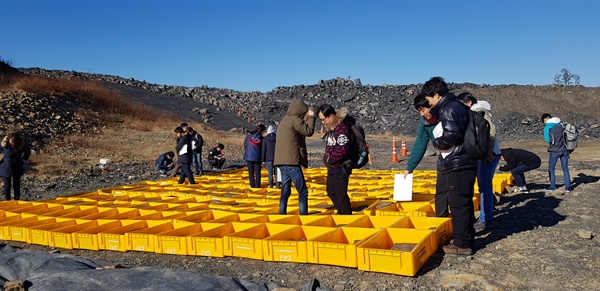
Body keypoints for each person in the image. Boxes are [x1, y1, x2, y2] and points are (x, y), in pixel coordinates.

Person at [423, 76, 478, 256]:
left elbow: (452, 135)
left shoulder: (449, 109)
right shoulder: (458, 105)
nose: (428, 102)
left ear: (437, 95)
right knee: (464, 200)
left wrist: (437, 143)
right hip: (466, 161)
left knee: (458, 204)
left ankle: (462, 244)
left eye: (429, 98)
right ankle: (466, 236)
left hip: (458, 162)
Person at [458, 92, 501, 231]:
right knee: (485, 187)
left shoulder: (478, 111)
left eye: (462, 104)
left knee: (484, 188)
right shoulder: (481, 111)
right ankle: (487, 214)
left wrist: (488, 153)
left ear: (468, 102)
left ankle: (485, 219)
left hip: (487, 156)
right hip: (487, 154)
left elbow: (492, 131)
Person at [274, 98, 315, 215]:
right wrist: (311, 117)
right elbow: (308, 131)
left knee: (285, 192)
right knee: (303, 191)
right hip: (291, 162)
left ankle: (282, 214)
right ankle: (303, 216)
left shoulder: (284, 120)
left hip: (281, 162)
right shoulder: (295, 120)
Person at [318, 104, 354, 215]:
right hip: (333, 167)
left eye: (324, 119)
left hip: (340, 167)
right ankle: (341, 212)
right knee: (331, 192)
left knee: (341, 194)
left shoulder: (342, 128)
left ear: (331, 116)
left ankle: (346, 215)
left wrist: (330, 160)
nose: (323, 122)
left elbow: (343, 150)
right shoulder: (331, 129)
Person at [403, 93, 438, 178]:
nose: (422, 114)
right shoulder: (425, 122)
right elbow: (420, 143)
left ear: (431, 106)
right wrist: (409, 168)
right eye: (419, 111)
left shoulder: (447, 116)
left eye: (423, 110)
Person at [541, 113, 572, 192]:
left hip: (554, 151)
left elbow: (548, 140)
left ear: (545, 120)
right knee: (565, 169)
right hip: (564, 150)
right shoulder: (561, 124)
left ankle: (552, 186)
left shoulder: (547, 128)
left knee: (551, 168)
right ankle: (568, 187)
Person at [0, 133, 31, 200]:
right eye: (11, 142)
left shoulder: (21, 145)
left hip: (17, 167)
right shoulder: (4, 144)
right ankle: (7, 201)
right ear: (9, 140)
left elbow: (28, 152)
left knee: (16, 185)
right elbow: (1, 151)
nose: (12, 144)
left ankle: (16, 200)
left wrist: (22, 161)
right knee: (7, 186)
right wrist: (1, 158)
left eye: (14, 143)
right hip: (5, 167)